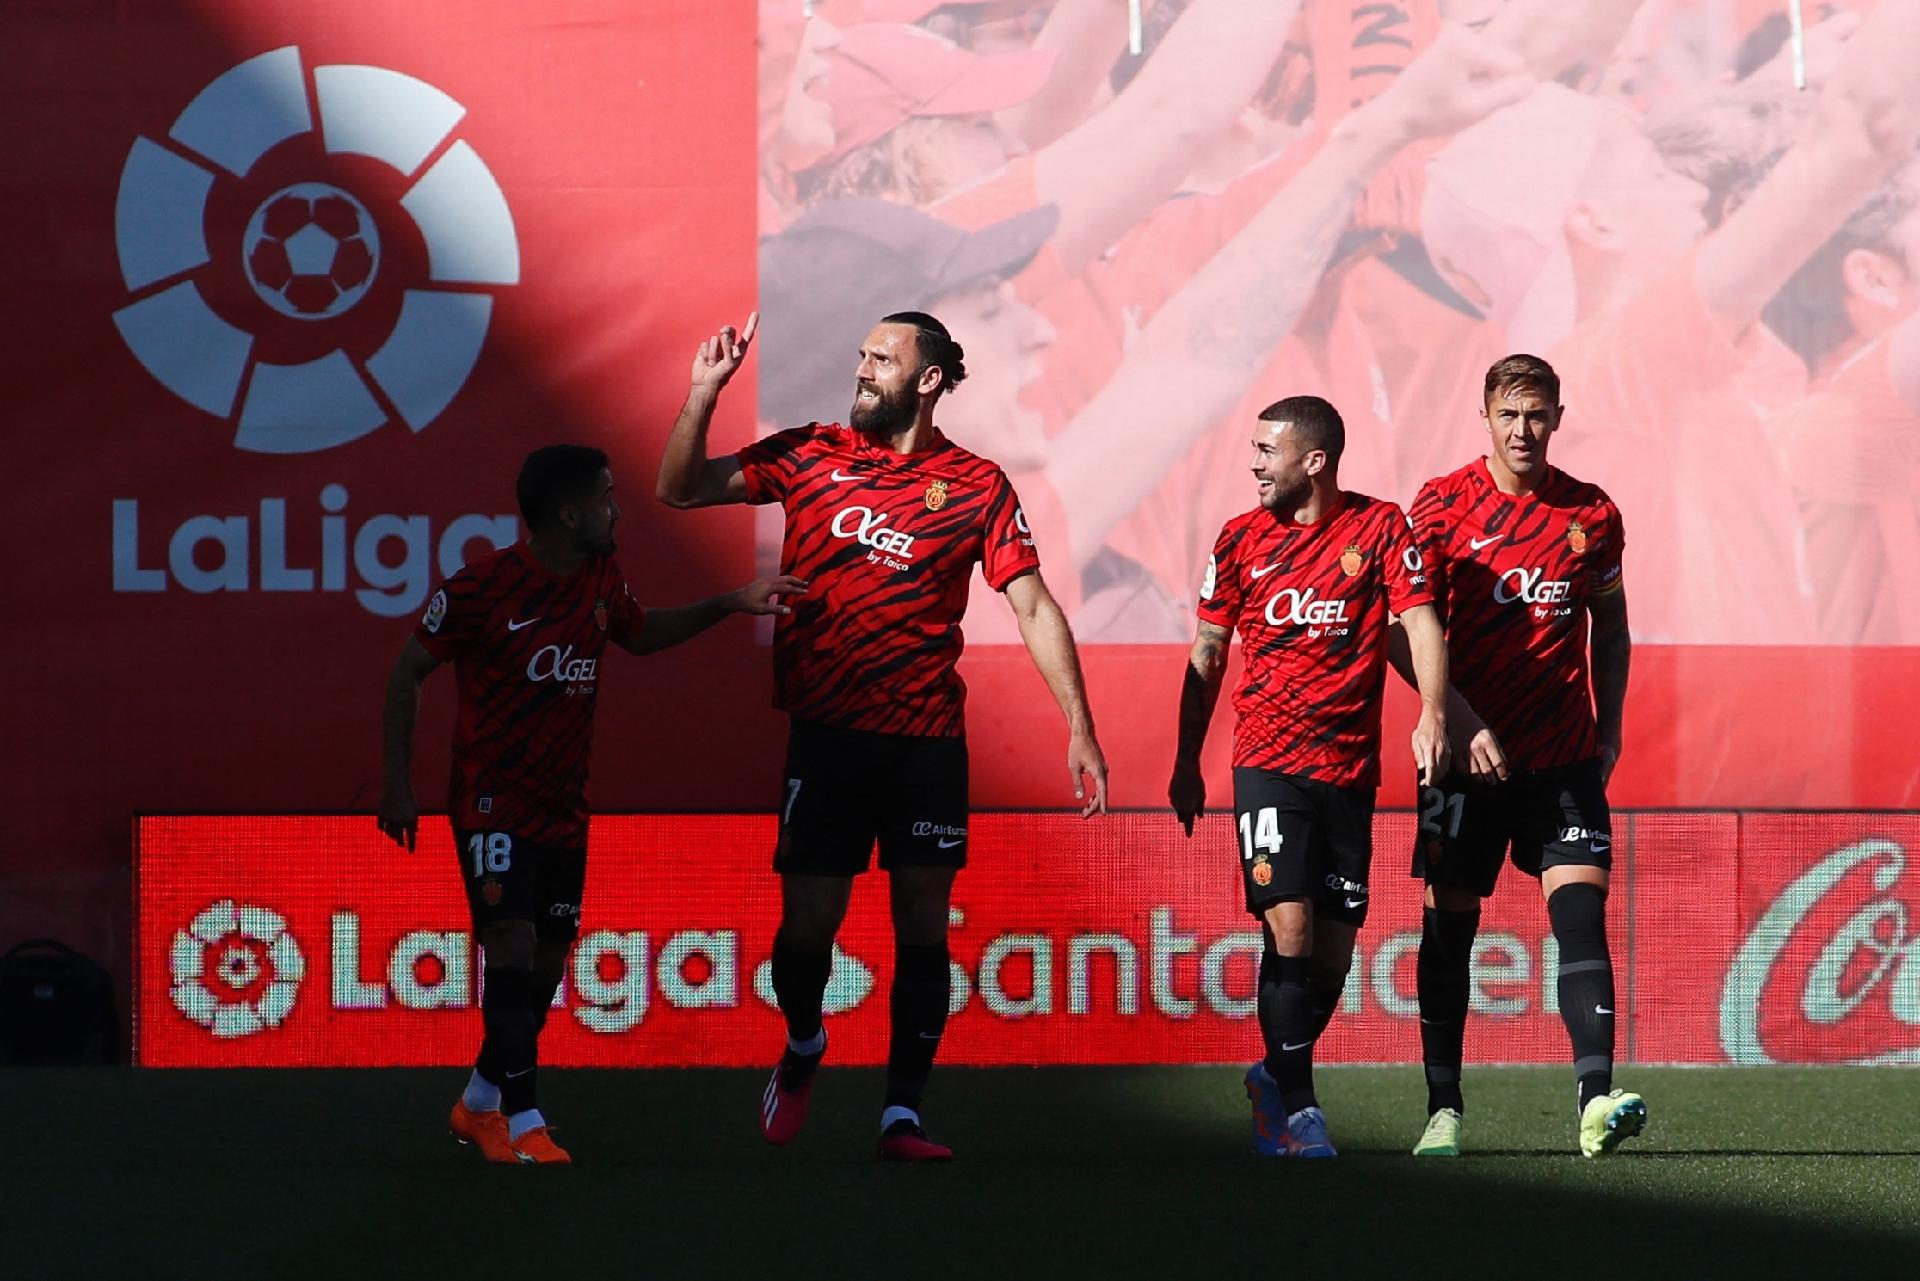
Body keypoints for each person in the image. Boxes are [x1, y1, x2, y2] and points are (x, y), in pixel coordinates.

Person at [656, 308, 1109, 1161]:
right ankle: (802, 1044)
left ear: (928, 379)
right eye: (860, 353)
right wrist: (702, 395)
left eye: (881, 358)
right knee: (806, 933)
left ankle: (902, 1112)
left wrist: (1079, 727)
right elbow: (679, 488)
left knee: (924, 926)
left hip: (926, 741)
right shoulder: (810, 452)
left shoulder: (976, 485)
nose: (862, 368)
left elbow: (1035, 605)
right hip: (827, 739)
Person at [377, 445, 802, 1164]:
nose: (618, 510)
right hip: (491, 801)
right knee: (508, 948)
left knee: (542, 970)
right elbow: (406, 672)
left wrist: (730, 601)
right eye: (608, 497)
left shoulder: (601, 577)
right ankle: (523, 1119)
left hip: (564, 807)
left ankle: (478, 1100)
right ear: (570, 512)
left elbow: (639, 634)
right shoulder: (482, 588)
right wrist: (397, 784)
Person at [1168, 394, 1449, 1159]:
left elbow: (1420, 620)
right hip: (1267, 765)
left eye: (1268, 450)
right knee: (1286, 923)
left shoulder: (1381, 526)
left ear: (1314, 461)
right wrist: (1186, 758)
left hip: (1349, 774)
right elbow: (1207, 653)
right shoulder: (1238, 539)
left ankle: (1271, 1072)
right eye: (1254, 449)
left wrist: (1434, 712)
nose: (1255, 463)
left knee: (1329, 956)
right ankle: (1298, 1110)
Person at [1396, 354, 1639, 1159]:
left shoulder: (1592, 514)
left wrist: (1608, 731)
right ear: (1486, 417)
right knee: (1448, 928)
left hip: (1562, 757)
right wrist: (1454, 717)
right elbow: (1402, 629)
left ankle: (1595, 1101)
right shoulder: (1439, 507)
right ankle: (1443, 1109)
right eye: (1510, 414)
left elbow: (1613, 628)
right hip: (1461, 764)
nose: (1524, 430)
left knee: (1580, 917)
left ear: (1559, 418)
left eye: (1538, 415)